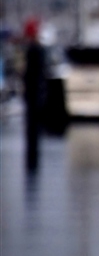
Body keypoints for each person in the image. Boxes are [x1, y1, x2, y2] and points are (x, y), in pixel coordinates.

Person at [22, 18, 47, 167]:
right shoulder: (38, 50)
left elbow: (31, 73)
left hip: (33, 92)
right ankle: (33, 159)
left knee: (32, 129)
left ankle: (32, 160)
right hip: (36, 92)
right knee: (34, 131)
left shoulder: (33, 50)